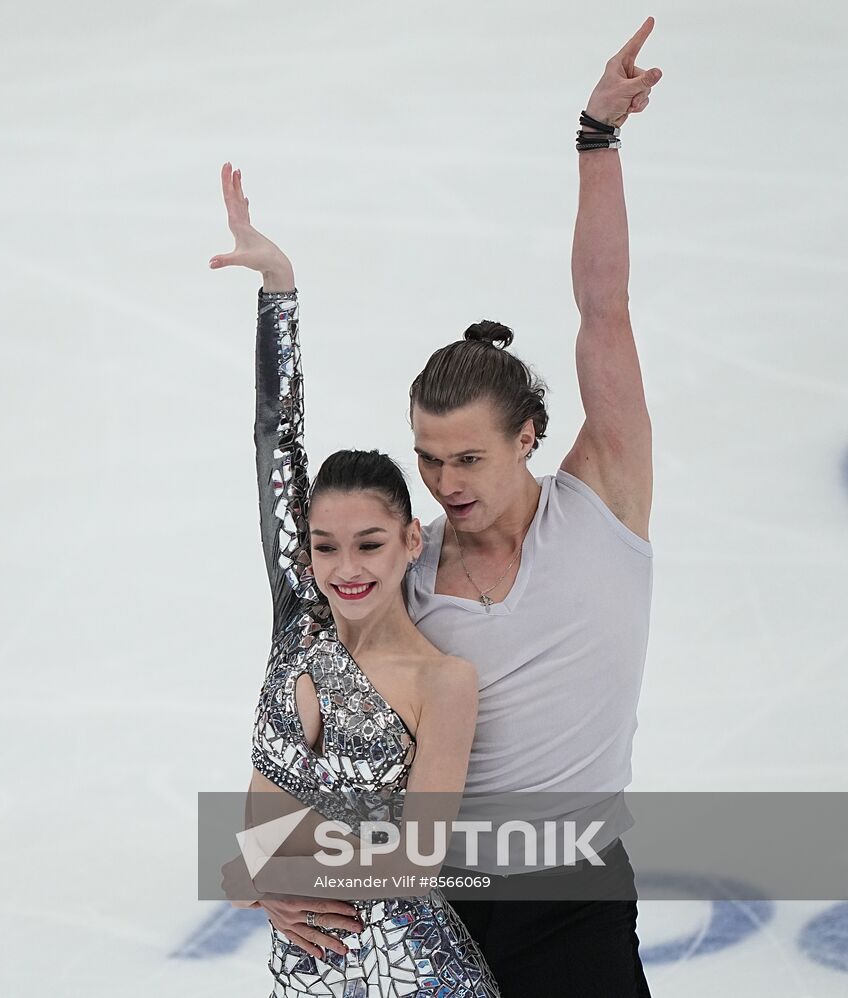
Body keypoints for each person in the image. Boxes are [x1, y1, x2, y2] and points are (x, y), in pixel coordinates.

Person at [216, 17, 665, 998]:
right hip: (432, 905)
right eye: (426, 458)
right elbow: (295, 726)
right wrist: (269, 879)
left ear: (528, 436)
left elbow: (605, 307)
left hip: (574, 887)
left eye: (467, 455)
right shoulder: (400, 575)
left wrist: (595, 138)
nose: (446, 478)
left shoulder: (603, 500)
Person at [210, 161, 500, 996]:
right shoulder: (299, 630)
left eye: (369, 545)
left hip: (415, 976)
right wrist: (279, 290)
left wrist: (261, 874)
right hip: (308, 974)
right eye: (325, 546)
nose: (344, 568)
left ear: (412, 541)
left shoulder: (445, 682)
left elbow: (412, 863)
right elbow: (278, 438)